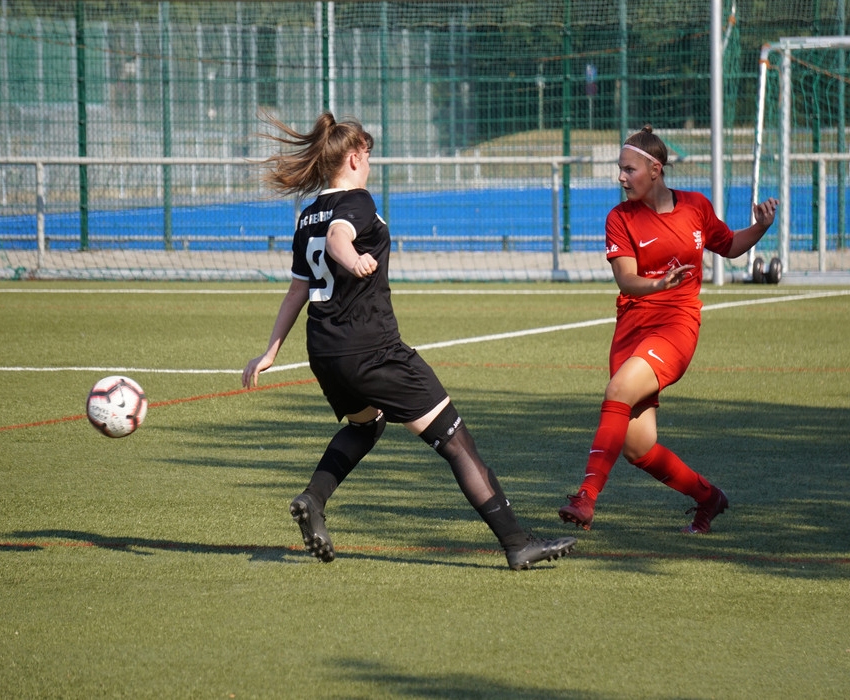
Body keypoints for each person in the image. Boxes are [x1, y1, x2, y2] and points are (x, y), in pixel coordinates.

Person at [242, 111, 576, 570]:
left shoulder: (306, 216)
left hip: (325, 350)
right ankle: (517, 543)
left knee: (366, 424)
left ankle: (314, 499)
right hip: (372, 349)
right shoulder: (355, 201)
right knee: (458, 443)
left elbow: (298, 287)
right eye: (369, 155)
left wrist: (271, 351)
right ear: (356, 156)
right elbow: (340, 238)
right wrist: (353, 257)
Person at [558, 125, 778, 534]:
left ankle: (586, 498)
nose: (621, 178)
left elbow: (728, 245)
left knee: (618, 391)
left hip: (676, 326)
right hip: (631, 329)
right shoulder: (619, 218)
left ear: (655, 169)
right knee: (637, 447)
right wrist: (657, 283)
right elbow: (626, 280)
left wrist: (761, 228)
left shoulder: (695, 206)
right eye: (620, 170)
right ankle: (709, 497)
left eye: (629, 170)